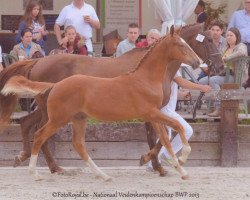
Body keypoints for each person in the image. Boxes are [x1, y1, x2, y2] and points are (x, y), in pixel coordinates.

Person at [158, 70, 211, 165]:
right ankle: (166, 156)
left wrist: (180, 94)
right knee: (186, 130)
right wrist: (201, 87)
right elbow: (181, 82)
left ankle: (154, 163)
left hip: (165, 109)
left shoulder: (170, 65)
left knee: (165, 136)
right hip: (166, 110)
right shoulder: (171, 65)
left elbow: (168, 88)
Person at [199, 28, 248, 117]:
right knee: (201, 82)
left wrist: (227, 58)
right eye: (227, 36)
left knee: (213, 81)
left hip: (235, 76)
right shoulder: (225, 47)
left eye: (231, 35)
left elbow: (242, 53)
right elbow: (216, 58)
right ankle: (211, 104)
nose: (228, 37)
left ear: (237, 36)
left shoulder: (241, 46)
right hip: (223, 74)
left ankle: (219, 108)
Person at [228, 0, 250, 88]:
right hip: (241, 46)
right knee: (241, 69)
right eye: (247, 2)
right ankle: (241, 88)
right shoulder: (237, 15)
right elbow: (230, 30)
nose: (248, 4)